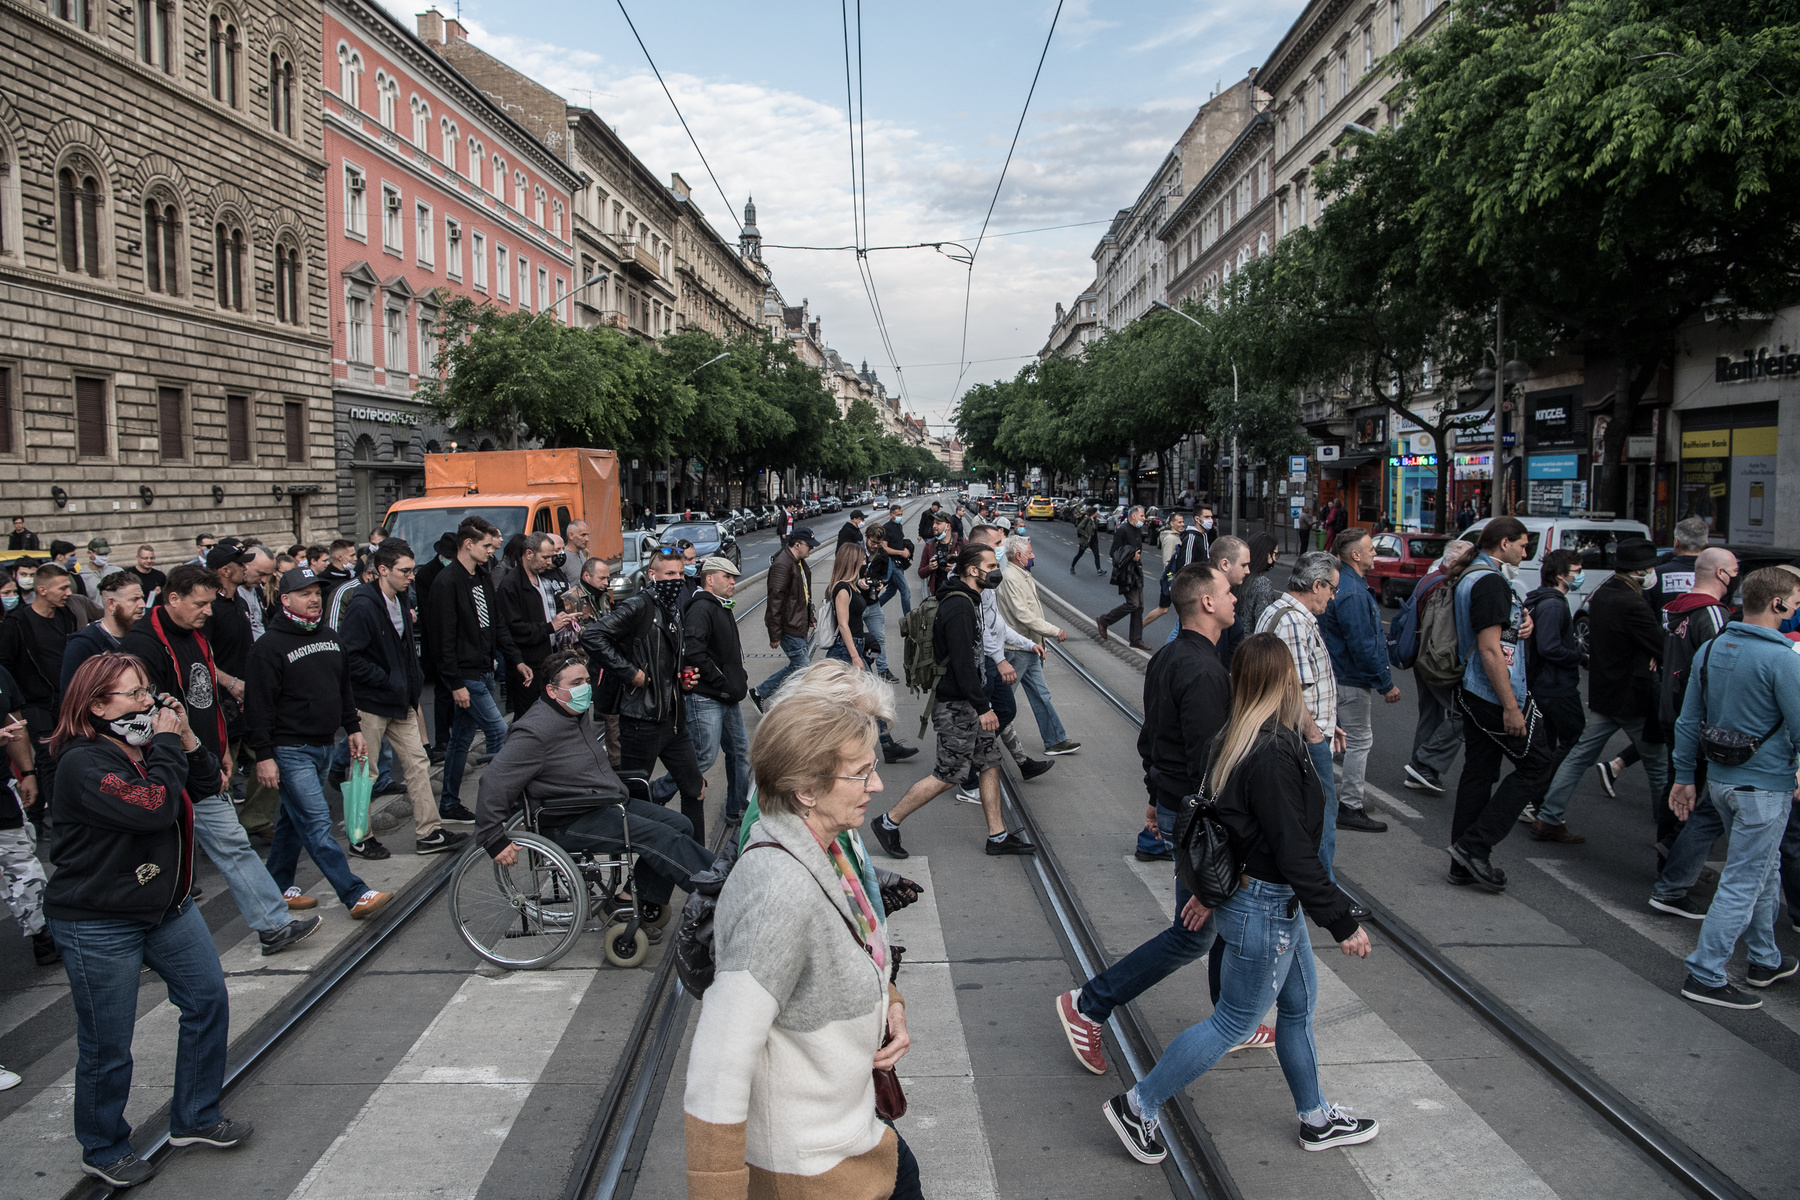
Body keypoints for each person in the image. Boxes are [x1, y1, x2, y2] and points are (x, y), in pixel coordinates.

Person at [1101, 633, 1375, 1166]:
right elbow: (1295, 853)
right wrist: (1343, 923)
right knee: (1233, 1023)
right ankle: (1139, 1105)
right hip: (1267, 908)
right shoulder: (1271, 752)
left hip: (1268, 905)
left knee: (1296, 1009)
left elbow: (1216, 826)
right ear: (1283, 680)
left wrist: (1207, 891)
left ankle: (1316, 1118)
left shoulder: (1232, 737)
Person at [685, 688, 920, 1200]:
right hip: (813, 1175)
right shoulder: (779, 889)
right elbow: (719, 1063)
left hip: (850, 1141)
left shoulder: (827, 853)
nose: (877, 785)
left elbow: (850, 954)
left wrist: (891, 1004)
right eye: (860, 773)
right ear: (806, 789)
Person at [46, 652, 253, 1188]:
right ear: (96, 705)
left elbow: (208, 785)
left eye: (148, 691)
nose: (148, 703)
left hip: (166, 907)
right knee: (108, 1041)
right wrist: (163, 743)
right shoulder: (82, 762)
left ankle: (196, 1116)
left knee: (207, 1001)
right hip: (98, 920)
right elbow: (153, 807)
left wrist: (184, 736)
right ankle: (103, 1145)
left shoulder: (149, 747)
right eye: (134, 694)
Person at [1058, 563, 1268, 1074]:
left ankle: (1232, 1016)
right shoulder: (1205, 673)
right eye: (1227, 591)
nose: (1236, 597)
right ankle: (1089, 1004)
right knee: (1193, 932)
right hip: (1200, 820)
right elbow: (1208, 766)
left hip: (1177, 807)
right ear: (1206, 604)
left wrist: (1156, 796)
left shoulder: (1170, 656)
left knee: (1217, 927)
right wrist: (1209, 875)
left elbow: (1153, 738)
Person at [119, 564, 320, 953]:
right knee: (152, 860)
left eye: (211, 603)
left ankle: (273, 925)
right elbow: (152, 710)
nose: (209, 611)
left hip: (202, 760)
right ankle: (136, 941)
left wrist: (220, 750)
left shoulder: (196, 634)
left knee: (232, 844)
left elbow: (207, 694)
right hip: (164, 765)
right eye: (201, 603)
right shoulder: (143, 644)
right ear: (172, 598)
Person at [476, 649, 713, 932]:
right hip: (567, 819)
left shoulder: (572, 713)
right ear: (552, 690)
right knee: (660, 837)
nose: (584, 688)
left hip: (600, 802)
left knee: (680, 824)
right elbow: (494, 780)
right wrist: (492, 838)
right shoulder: (535, 730)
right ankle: (720, 892)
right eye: (575, 683)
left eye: (586, 680)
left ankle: (630, 900)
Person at [1669, 566, 1800, 1010]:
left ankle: (1765, 959)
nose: (1795, 611)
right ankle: (1705, 972)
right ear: (1777, 604)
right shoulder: (1782, 659)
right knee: (1744, 880)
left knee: (1762, 871)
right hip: (1764, 787)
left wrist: (1685, 777)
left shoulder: (1712, 647)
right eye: (1795, 604)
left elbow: (1688, 720)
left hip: (1722, 782)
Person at [869, 544, 1035, 859]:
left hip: (969, 702)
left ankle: (997, 837)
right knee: (947, 775)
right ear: (972, 570)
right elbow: (962, 663)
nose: (994, 570)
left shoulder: (966, 599)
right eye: (989, 565)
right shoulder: (959, 607)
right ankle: (888, 822)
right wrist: (983, 706)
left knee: (989, 762)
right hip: (958, 706)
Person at [246, 567, 392, 921]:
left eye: (317, 592)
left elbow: (343, 687)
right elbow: (258, 706)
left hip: (325, 744)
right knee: (315, 822)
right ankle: (354, 893)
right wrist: (264, 755)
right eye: (304, 593)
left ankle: (278, 885)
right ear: (285, 600)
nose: (314, 599)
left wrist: (353, 728)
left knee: (292, 821)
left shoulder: (330, 636)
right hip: (289, 749)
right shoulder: (269, 646)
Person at [1532, 537, 1670, 842]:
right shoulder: (1632, 602)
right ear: (1639, 571)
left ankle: (1548, 815)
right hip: (1632, 697)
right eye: (1649, 568)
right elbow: (1660, 643)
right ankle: (1669, 837)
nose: (1652, 574)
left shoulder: (1605, 591)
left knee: (1579, 755)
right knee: (1659, 767)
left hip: (1606, 692)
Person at [1447, 517, 1556, 892]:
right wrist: (1511, 706)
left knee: (1479, 771)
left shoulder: (1478, 575)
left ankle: (1461, 862)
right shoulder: (1490, 581)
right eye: (1524, 545)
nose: (1527, 552)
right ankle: (1474, 846)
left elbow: (1496, 630)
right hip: (1493, 694)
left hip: (1475, 691)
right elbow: (1490, 649)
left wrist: (1520, 620)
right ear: (1504, 543)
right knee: (1538, 765)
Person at [341, 539, 465, 857]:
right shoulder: (363, 604)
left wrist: (410, 683)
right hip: (370, 703)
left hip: (401, 700)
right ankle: (358, 837)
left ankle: (430, 832)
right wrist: (388, 680)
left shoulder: (401, 597)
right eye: (405, 571)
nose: (411, 577)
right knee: (363, 772)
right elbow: (350, 658)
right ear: (382, 570)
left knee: (418, 763)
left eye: (412, 570)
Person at [584, 543, 708, 843]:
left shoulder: (675, 607)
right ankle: (632, 870)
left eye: (680, 573)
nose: (676, 580)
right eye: (668, 574)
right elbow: (592, 636)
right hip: (642, 719)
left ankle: (699, 862)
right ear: (652, 575)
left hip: (673, 719)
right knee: (634, 799)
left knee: (695, 787)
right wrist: (631, 673)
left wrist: (682, 679)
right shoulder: (639, 605)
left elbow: (665, 656)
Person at [1647, 547, 1740, 919]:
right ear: (1720, 574)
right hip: (1698, 714)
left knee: (1679, 782)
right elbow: (1723, 666)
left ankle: (1668, 857)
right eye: (1734, 571)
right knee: (1695, 794)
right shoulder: (1712, 613)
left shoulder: (1676, 608)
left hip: (1673, 708)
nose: (1736, 578)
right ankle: (1673, 862)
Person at [1256, 552, 1348, 875]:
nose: (1333, 597)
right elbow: (1293, 691)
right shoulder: (1294, 622)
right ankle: (1323, 888)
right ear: (1317, 584)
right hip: (1302, 738)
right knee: (1321, 815)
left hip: (1299, 731)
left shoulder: (1283, 612)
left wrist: (1329, 721)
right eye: (1332, 589)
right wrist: (1315, 732)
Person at [432, 516, 528, 825]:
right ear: (468, 544)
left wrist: (515, 658)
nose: (492, 550)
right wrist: (455, 682)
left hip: (484, 669)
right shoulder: (447, 582)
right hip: (466, 675)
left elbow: (496, 624)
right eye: (487, 545)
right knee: (499, 732)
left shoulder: (483, 576)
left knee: (460, 740)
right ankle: (497, 803)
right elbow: (443, 638)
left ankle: (449, 801)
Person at [651, 555, 753, 824]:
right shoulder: (701, 608)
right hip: (708, 696)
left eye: (734, 578)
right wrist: (721, 680)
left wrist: (735, 678)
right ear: (710, 579)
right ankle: (656, 792)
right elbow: (693, 650)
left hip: (728, 695)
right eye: (727, 577)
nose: (732, 582)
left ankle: (737, 807)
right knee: (704, 755)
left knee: (740, 751)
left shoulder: (721, 606)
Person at [1318, 528, 1396, 835]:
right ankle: (1350, 805)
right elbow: (1363, 644)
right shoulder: (1351, 591)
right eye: (1371, 549)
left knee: (1334, 739)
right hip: (1350, 678)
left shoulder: (1347, 585)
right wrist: (1385, 683)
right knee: (1358, 741)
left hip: (1341, 674)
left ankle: (1337, 800)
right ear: (1355, 555)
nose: (1375, 553)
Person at [0, 562, 86, 823]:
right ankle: (59, 822)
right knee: (49, 761)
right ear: (42, 590)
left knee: (71, 756)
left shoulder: (66, 617)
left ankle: (49, 814)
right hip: (34, 704)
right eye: (61, 588)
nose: (68, 592)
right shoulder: (18, 622)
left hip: (67, 701)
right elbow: (5, 665)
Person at [1517, 549, 1589, 834]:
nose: (1580, 574)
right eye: (1576, 569)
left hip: (1542, 684)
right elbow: (1549, 647)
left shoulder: (1540, 599)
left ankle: (1537, 798)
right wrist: (1579, 658)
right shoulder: (1554, 605)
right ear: (1561, 575)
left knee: (1551, 742)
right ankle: (1540, 797)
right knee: (1575, 739)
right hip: (1555, 685)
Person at [1401, 540, 1475, 795]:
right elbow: (1443, 634)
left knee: (1431, 714)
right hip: (1436, 662)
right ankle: (1425, 763)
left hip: (1422, 659)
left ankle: (1420, 770)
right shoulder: (1445, 586)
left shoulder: (1430, 578)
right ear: (1455, 562)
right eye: (1468, 562)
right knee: (1462, 714)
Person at [996, 533, 1080, 756]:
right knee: (1002, 703)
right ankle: (978, 741)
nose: (1033, 556)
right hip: (1016, 650)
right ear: (1020, 555)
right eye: (1030, 553)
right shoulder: (1011, 578)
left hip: (1030, 647)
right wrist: (1054, 631)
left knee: (1041, 695)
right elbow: (1024, 615)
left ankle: (1055, 740)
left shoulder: (1022, 574)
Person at [0, 660, 55, 966]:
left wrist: (27, 771)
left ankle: (45, 936)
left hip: (2, 791)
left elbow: (16, 721)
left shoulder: (2, 674)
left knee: (21, 864)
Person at [498, 531, 572, 717]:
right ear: (529, 554)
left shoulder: (544, 579)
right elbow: (513, 628)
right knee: (529, 717)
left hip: (548, 660)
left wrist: (566, 620)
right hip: (527, 665)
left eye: (551, 557)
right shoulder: (511, 584)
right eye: (545, 557)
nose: (549, 562)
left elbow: (554, 612)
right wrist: (549, 627)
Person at [751, 528, 819, 710]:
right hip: (790, 627)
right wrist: (774, 633)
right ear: (797, 544)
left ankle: (760, 692)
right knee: (803, 669)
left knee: (797, 667)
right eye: (808, 545)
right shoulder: (783, 565)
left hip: (799, 623)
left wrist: (810, 615)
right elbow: (775, 600)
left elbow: (803, 594)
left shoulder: (798, 562)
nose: (811, 549)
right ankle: (784, 708)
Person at [59, 570, 144, 694]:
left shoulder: (141, 639)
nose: (142, 605)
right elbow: (71, 700)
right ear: (111, 603)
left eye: (142, 598)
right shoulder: (82, 646)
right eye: (134, 599)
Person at [413, 531, 459, 760]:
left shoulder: (458, 570)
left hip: (456, 640)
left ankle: (455, 734)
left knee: (456, 692)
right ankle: (443, 739)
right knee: (443, 691)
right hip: (438, 642)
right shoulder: (426, 575)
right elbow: (429, 613)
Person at [1097, 505, 1150, 650]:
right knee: (1133, 604)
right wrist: (1131, 555)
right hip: (1126, 573)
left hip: (1136, 571)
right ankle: (1104, 620)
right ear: (1133, 516)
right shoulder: (1123, 530)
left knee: (1140, 606)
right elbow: (1114, 552)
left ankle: (1136, 639)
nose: (1144, 519)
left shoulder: (1137, 530)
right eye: (1142, 516)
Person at [1646, 517, 1712, 627]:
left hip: (1664, 639)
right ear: (1706, 544)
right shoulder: (1716, 574)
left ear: (1676, 543)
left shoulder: (1656, 574)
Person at [1233, 533, 1283, 644]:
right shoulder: (1262, 583)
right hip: (1251, 645)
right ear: (1266, 554)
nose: (1275, 559)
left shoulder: (1238, 577)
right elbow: (1264, 622)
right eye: (1274, 554)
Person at [1143, 513, 1187, 629]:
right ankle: (1139, 627)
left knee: (1173, 610)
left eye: (1183, 522)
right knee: (1163, 609)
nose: (1182, 524)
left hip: (1173, 578)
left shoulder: (1177, 536)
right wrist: (1171, 578)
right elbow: (1167, 562)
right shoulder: (1170, 538)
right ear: (1172, 523)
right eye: (1179, 522)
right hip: (1171, 579)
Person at [878, 503, 913, 615]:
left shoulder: (899, 526)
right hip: (891, 563)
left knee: (891, 591)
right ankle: (908, 619)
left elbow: (898, 542)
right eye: (898, 514)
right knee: (905, 591)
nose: (900, 516)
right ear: (891, 515)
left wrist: (905, 549)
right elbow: (884, 548)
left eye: (901, 514)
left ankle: (870, 610)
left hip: (898, 563)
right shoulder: (886, 528)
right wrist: (901, 552)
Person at [918, 512, 962, 597]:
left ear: (948, 526)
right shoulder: (929, 546)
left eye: (938, 523)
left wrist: (955, 570)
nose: (934, 526)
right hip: (937, 595)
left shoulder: (961, 544)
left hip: (958, 594)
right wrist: (929, 568)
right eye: (934, 523)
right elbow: (921, 573)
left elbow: (971, 570)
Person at [558, 520, 591, 590]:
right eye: (583, 535)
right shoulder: (563, 558)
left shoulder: (581, 553)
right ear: (571, 535)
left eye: (588, 535)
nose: (587, 539)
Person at [1071, 505, 1102, 574]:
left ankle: (1099, 570)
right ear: (1093, 513)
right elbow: (1079, 527)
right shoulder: (1086, 519)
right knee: (1080, 554)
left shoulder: (1095, 520)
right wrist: (1086, 535)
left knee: (1096, 554)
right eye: (1096, 512)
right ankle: (1072, 566)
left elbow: (1095, 530)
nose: (1097, 513)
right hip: (1085, 540)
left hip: (1093, 540)